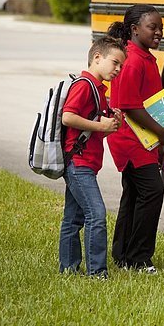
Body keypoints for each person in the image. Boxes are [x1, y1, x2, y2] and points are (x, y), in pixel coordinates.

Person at [106, 4, 164, 274]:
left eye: (161, 28)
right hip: (131, 140)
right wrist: (160, 131)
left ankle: (122, 255)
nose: (159, 32)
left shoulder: (144, 56)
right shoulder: (132, 59)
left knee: (134, 194)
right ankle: (138, 259)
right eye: (152, 27)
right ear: (135, 30)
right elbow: (128, 105)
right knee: (152, 191)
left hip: (143, 139)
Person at [60, 36, 126, 279]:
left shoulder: (97, 89)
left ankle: (68, 268)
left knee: (73, 217)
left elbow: (93, 128)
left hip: (84, 162)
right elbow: (68, 117)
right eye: (115, 63)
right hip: (79, 164)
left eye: (121, 66)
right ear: (97, 58)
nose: (118, 69)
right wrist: (101, 126)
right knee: (96, 214)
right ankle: (97, 272)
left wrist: (111, 123)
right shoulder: (84, 85)